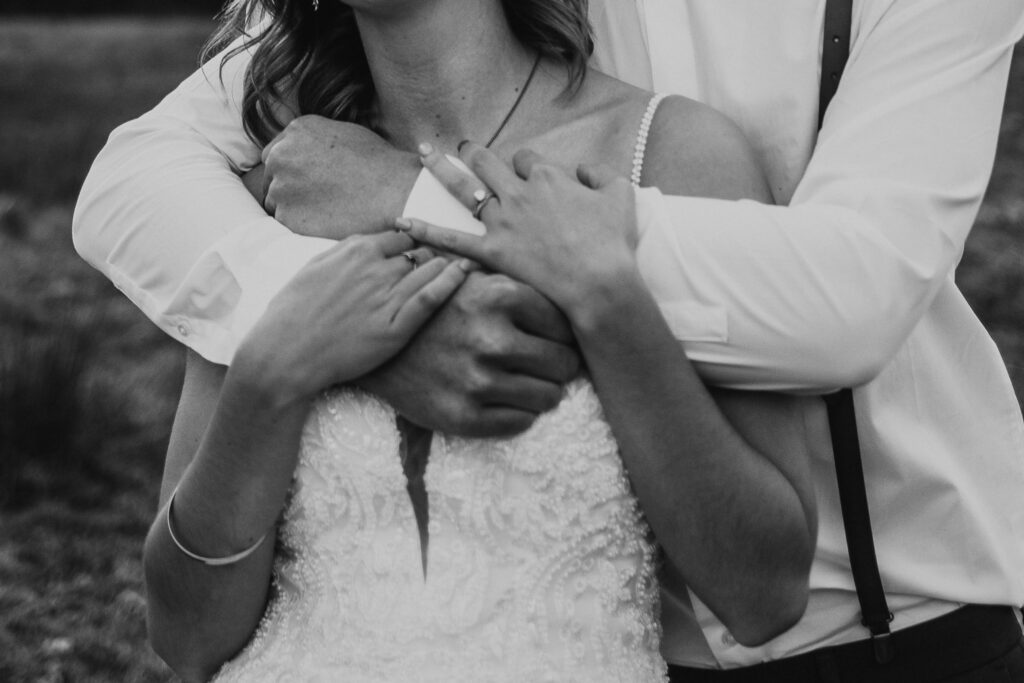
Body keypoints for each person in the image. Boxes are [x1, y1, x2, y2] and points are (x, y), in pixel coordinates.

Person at [73, 0, 1024, 680]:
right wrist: (289, 352)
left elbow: (853, 300)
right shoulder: (294, 164)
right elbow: (135, 170)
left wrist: (431, 215)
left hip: (908, 626)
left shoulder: (679, 149)